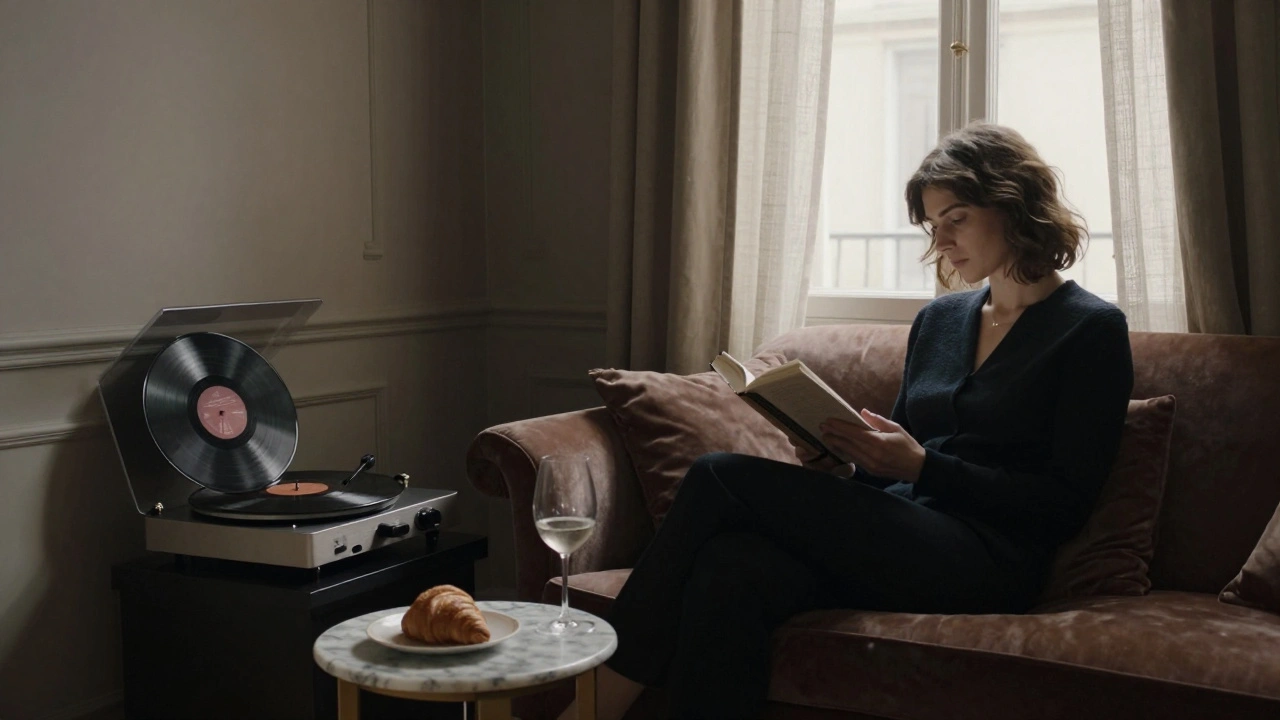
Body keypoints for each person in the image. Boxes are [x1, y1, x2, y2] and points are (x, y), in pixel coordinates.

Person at [564, 122, 1135, 720]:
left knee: (717, 476)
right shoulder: (939, 322)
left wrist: (925, 467)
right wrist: (840, 457)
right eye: (933, 225)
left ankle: (589, 708)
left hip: (989, 559)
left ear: (1014, 203)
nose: (942, 241)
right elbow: (889, 465)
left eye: (957, 218)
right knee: (728, 566)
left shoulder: (1090, 330)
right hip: (905, 534)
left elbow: (1064, 502)